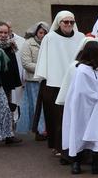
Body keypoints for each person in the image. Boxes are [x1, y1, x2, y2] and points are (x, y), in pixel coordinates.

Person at [60, 40, 98, 175]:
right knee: (79, 133)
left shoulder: (94, 69)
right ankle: (76, 163)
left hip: (94, 108)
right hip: (83, 108)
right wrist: (97, 97)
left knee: (96, 133)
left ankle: (96, 164)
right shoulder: (82, 70)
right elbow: (81, 91)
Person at [33, 12, 85, 158]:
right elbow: (44, 59)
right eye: (65, 22)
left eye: (71, 22)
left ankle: (76, 145)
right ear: (58, 23)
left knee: (75, 116)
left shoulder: (80, 37)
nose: (69, 24)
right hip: (54, 83)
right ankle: (57, 145)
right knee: (56, 117)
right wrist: (44, 77)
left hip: (75, 82)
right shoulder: (50, 38)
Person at [17, 22, 48, 139]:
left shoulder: (49, 43)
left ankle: (46, 129)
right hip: (34, 81)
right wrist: (43, 68)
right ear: (36, 32)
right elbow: (26, 63)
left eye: (45, 33)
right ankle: (39, 130)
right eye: (41, 32)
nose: (43, 35)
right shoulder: (28, 44)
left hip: (47, 80)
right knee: (36, 106)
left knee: (47, 106)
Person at [0, 22, 23, 124]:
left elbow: (13, 64)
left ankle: (7, 128)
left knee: (7, 106)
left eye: (5, 32)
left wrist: (15, 81)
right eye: (0, 32)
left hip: (7, 83)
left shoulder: (11, 45)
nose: (3, 35)